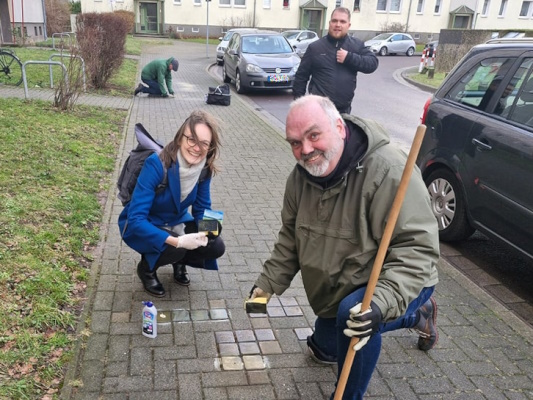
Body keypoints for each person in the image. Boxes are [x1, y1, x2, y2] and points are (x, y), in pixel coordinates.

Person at [247, 95, 440, 399]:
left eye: (313, 135)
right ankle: (418, 317)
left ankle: (349, 393)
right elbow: (290, 237)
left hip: (396, 281)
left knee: (354, 319)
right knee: (324, 348)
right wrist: (268, 284)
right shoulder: (300, 179)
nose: (305, 150)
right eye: (295, 142)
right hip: (338, 285)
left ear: (338, 126)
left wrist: (379, 302)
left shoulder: (389, 171)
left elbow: (417, 249)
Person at [118, 110, 225, 297]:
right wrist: (178, 241)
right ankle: (147, 269)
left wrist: (211, 229)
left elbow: (201, 209)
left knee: (215, 244)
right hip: (145, 223)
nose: (197, 148)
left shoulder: (203, 169)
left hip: (176, 221)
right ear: (180, 138)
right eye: (192, 139)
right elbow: (136, 219)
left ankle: (180, 261)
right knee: (175, 247)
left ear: (210, 148)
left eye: (204, 143)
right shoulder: (157, 164)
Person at [292, 7, 378, 114]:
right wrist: (299, 105)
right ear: (329, 23)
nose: (338, 24)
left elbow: (372, 64)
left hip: (343, 112)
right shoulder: (315, 48)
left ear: (348, 25)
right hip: (318, 111)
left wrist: (349, 57)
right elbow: (301, 77)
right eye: (334, 21)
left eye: (342, 21)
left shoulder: (356, 46)